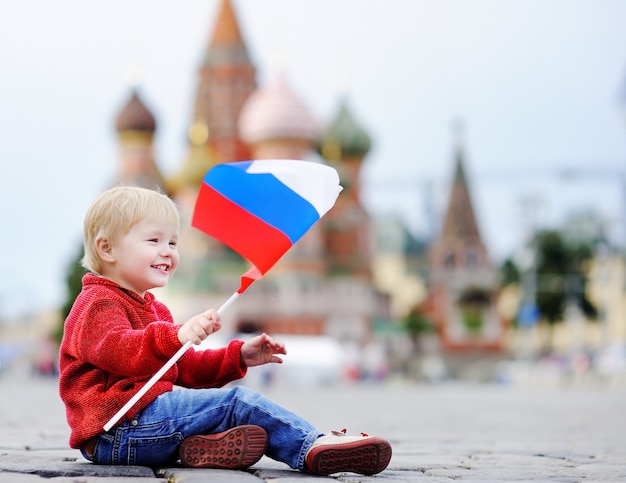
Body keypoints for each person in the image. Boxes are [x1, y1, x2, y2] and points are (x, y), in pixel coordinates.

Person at [59, 186, 392, 475]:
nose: (168, 251)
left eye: (173, 242)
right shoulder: (96, 302)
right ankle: (311, 446)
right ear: (107, 249)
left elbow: (182, 367)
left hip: (139, 427)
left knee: (224, 416)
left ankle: (201, 449)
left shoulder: (154, 308)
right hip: (114, 430)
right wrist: (175, 335)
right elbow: (120, 350)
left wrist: (237, 356)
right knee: (235, 403)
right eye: (154, 240)